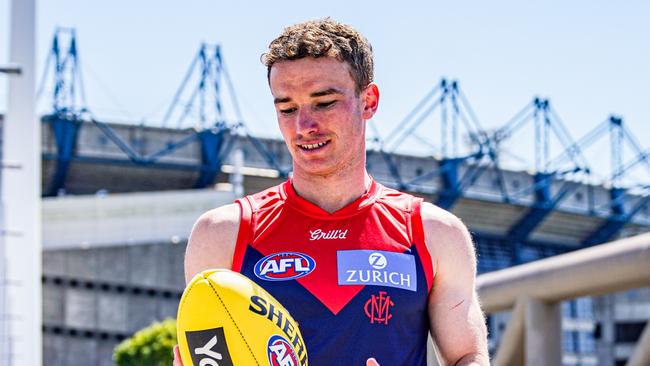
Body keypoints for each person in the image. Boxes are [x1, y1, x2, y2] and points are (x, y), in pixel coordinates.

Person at [174, 18, 489, 366]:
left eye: (324, 103)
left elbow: (468, 356)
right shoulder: (222, 234)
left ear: (369, 101)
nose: (303, 127)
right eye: (287, 108)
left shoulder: (434, 233)